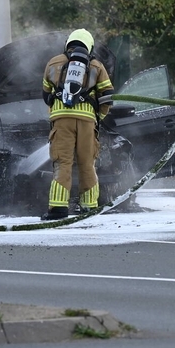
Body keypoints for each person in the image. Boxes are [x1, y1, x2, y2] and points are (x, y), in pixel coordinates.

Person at [40, 29, 114, 220]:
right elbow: (107, 97)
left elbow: (46, 94)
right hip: (87, 121)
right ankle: (89, 206)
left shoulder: (53, 62)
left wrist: (57, 109)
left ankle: (58, 208)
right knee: (87, 163)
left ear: (68, 43)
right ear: (89, 46)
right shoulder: (97, 66)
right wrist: (98, 117)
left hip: (61, 119)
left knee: (62, 162)